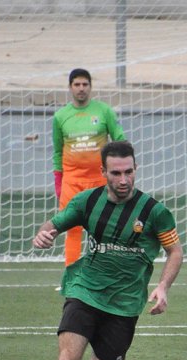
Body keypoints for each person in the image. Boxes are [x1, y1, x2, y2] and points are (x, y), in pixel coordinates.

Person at [27, 141, 183, 360]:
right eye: (116, 173)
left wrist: (163, 286)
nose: (124, 179)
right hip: (85, 291)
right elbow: (54, 224)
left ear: (135, 169)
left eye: (129, 172)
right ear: (103, 173)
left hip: (124, 305)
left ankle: (107, 356)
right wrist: (45, 234)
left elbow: (175, 252)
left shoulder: (154, 212)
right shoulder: (88, 202)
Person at [52, 68, 126, 266]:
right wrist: (58, 181)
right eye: (77, 84)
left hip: (100, 181)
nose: (81, 88)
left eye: (85, 84)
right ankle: (72, 276)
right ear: (70, 87)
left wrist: (122, 169)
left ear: (91, 87)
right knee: (72, 229)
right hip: (72, 182)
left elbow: (119, 138)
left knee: (106, 228)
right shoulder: (60, 117)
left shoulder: (104, 111)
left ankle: (106, 272)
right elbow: (58, 152)